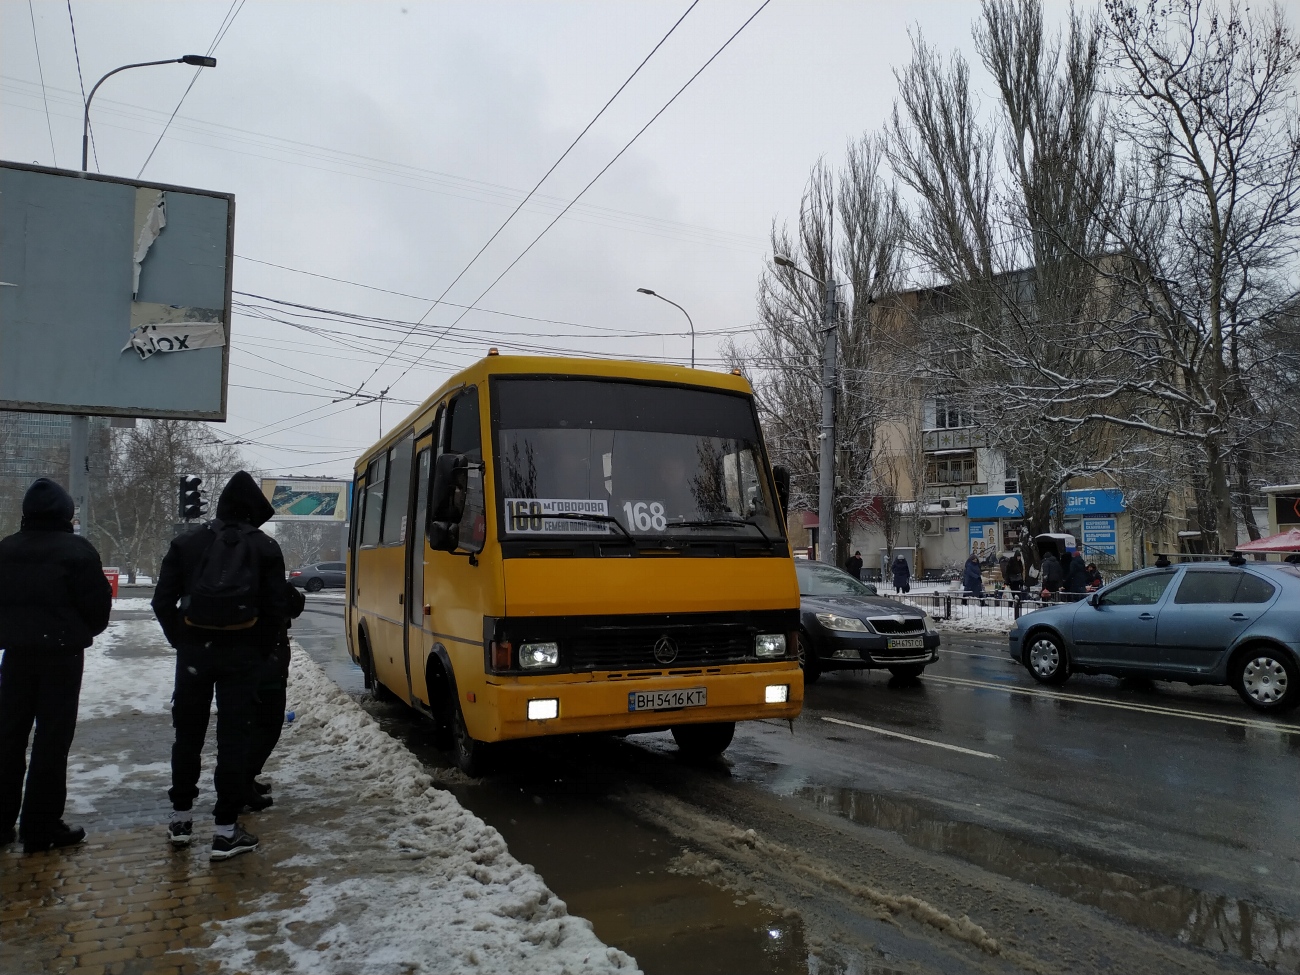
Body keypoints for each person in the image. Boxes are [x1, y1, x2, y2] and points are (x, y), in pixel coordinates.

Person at [153, 471, 287, 861]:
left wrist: (184, 642)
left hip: (196, 655)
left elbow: (162, 601)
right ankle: (226, 832)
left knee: (188, 735)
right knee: (234, 740)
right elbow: (276, 610)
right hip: (242, 657)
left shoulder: (187, 543)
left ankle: (180, 820)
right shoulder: (265, 547)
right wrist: (257, 651)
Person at [0, 478, 112, 854]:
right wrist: (74, 632)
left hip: (15, 657)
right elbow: (97, 610)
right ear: (65, 513)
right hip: (62, 659)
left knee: (8, 738)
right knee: (51, 742)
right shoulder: (77, 551)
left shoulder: (6, 549)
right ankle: (41, 826)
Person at [245, 581, 306, 806]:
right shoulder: (264, 572)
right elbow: (295, 604)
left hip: (246, 664)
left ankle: (245, 780)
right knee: (267, 727)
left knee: (250, 728)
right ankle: (241, 784)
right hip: (266, 665)